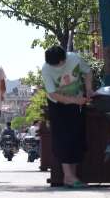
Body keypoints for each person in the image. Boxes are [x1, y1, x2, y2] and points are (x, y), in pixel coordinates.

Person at [42, 46, 93, 189]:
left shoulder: (74, 58)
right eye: (53, 65)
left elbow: (88, 72)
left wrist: (88, 89)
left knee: (76, 137)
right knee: (62, 138)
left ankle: (73, 177)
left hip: (76, 100)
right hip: (57, 105)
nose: (56, 68)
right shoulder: (46, 69)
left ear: (64, 59)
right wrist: (75, 101)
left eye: (58, 64)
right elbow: (53, 94)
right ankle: (68, 176)